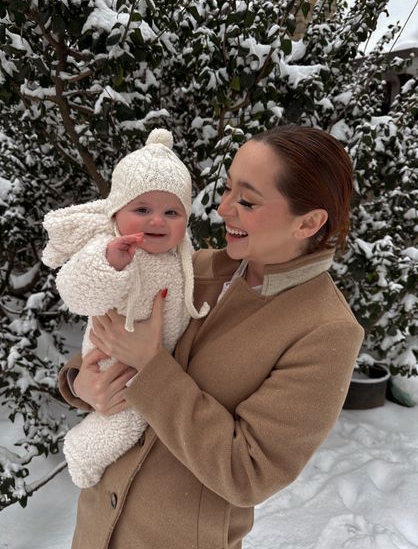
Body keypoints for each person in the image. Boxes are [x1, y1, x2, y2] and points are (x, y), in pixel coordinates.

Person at [58, 125, 364, 549]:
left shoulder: (324, 331)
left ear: (308, 222)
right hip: (96, 529)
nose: (223, 208)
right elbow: (103, 336)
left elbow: (249, 471)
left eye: (247, 200)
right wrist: (81, 383)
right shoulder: (189, 269)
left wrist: (152, 369)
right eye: (227, 189)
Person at [42, 129, 208, 488]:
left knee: (139, 408)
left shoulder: (184, 255)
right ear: (118, 211)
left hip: (152, 360)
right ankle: (83, 451)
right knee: (129, 415)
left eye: (171, 211)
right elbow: (76, 294)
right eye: (142, 209)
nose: (157, 221)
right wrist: (109, 263)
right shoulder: (112, 248)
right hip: (111, 357)